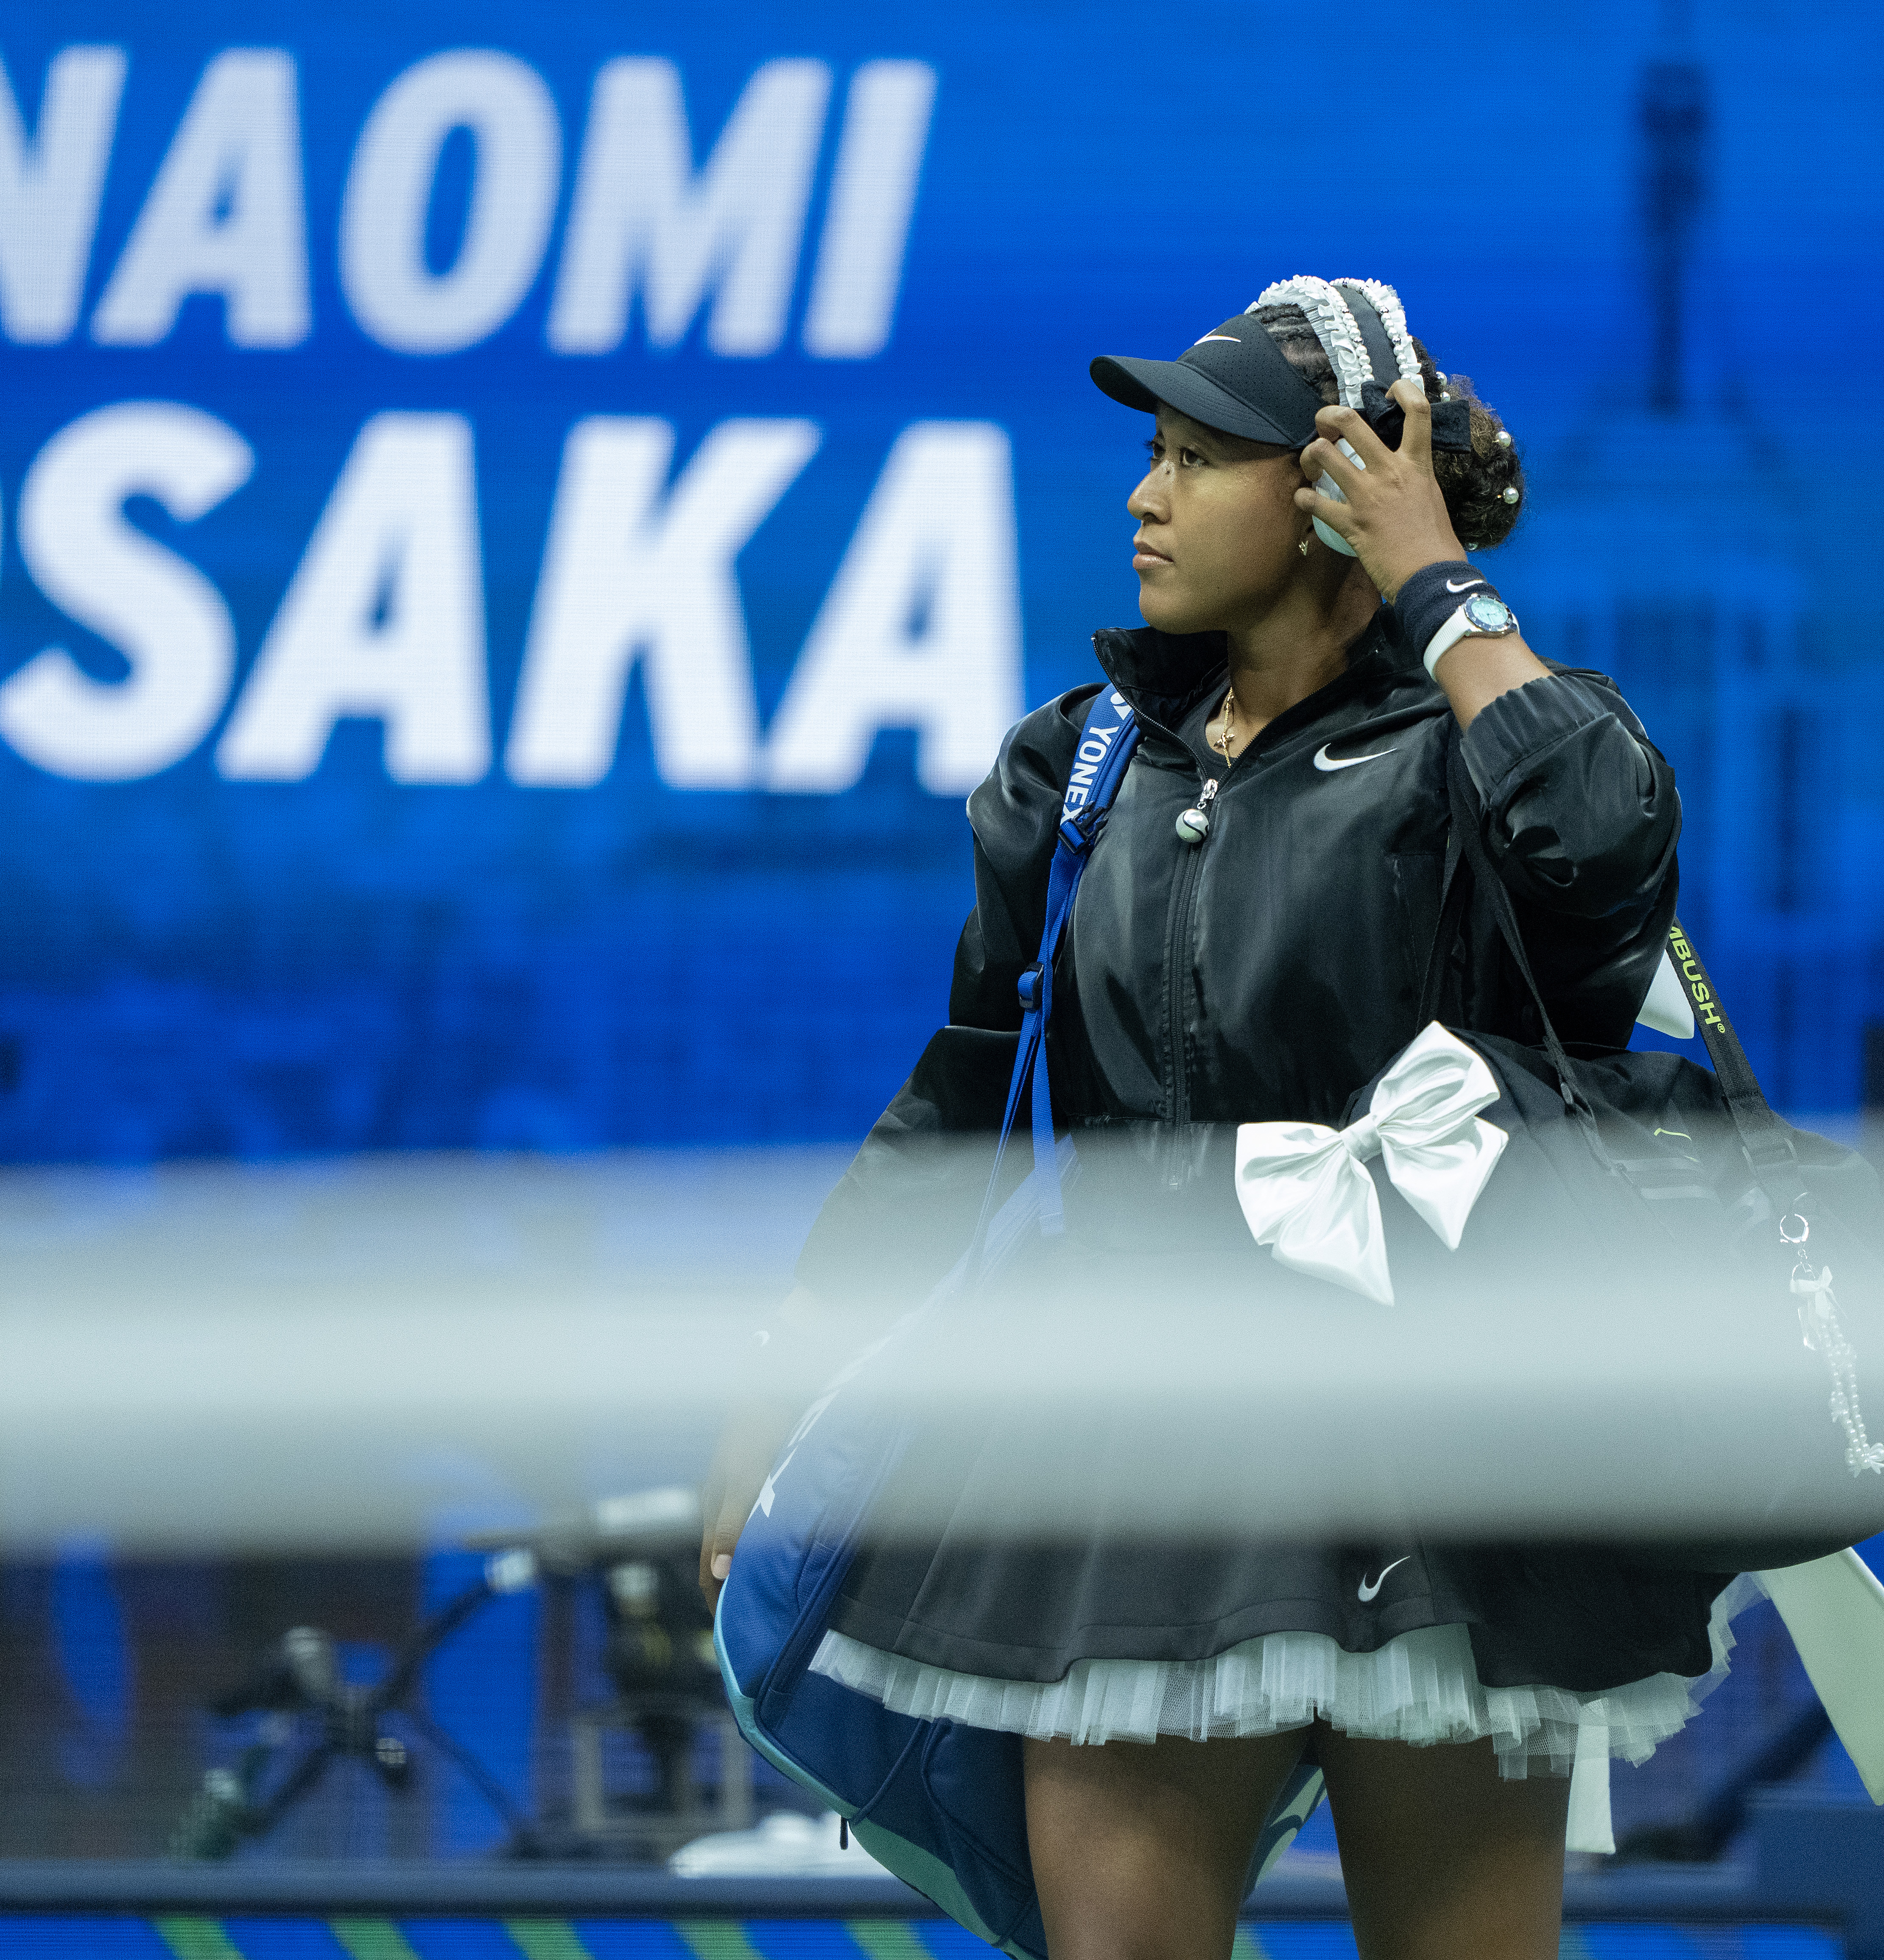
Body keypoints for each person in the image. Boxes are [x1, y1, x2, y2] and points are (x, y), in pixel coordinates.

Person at [702, 278, 1730, 1960]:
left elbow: (1610, 854)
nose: (1144, 493)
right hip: (1139, 1460)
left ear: (1334, 490)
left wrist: (1437, 580)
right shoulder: (1081, 771)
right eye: (1150, 452)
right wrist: (785, 1369)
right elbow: (958, 1103)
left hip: (1448, 1469)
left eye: (1200, 456)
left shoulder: (1487, 737)